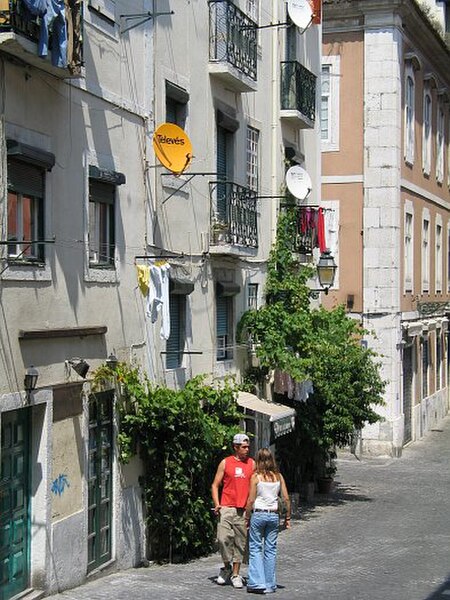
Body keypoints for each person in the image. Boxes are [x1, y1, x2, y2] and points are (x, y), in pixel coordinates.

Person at [211, 433, 255, 589]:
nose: (247, 449)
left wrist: (252, 507)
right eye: (244, 447)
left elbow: (254, 487)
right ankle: (226, 567)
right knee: (222, 539)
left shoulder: (252, 464)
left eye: (248, 446)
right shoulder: (226, 463)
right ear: (235, 447)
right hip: (227, 508)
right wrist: (217, 504)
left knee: (240, 543)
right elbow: (215, 485)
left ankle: (236, 574)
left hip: (243, 510)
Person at [245, 448, 291, 594]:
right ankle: (270, 584)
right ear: (272, 459)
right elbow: (286, 499)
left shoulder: (256, 477)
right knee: (270, 549)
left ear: (257, 460)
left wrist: (247, 517)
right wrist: (287, 518)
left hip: (259, 514)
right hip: (273, 516)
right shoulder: (278, 477)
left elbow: (251, 500)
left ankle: (257, 582)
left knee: (255, 548)